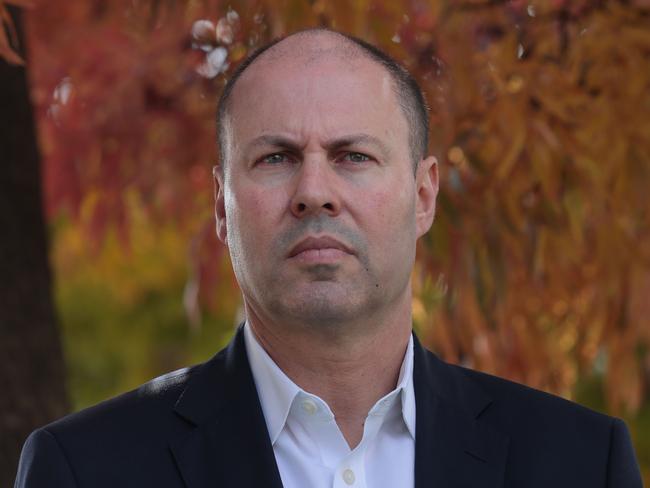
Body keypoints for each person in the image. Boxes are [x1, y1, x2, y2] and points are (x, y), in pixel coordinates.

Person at [15, 28, 642, 488]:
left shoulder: (582, 463)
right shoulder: (85, 469)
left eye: (353, 156)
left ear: (424, 197)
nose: (314, 191)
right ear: (220, 206)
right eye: (276, 158)